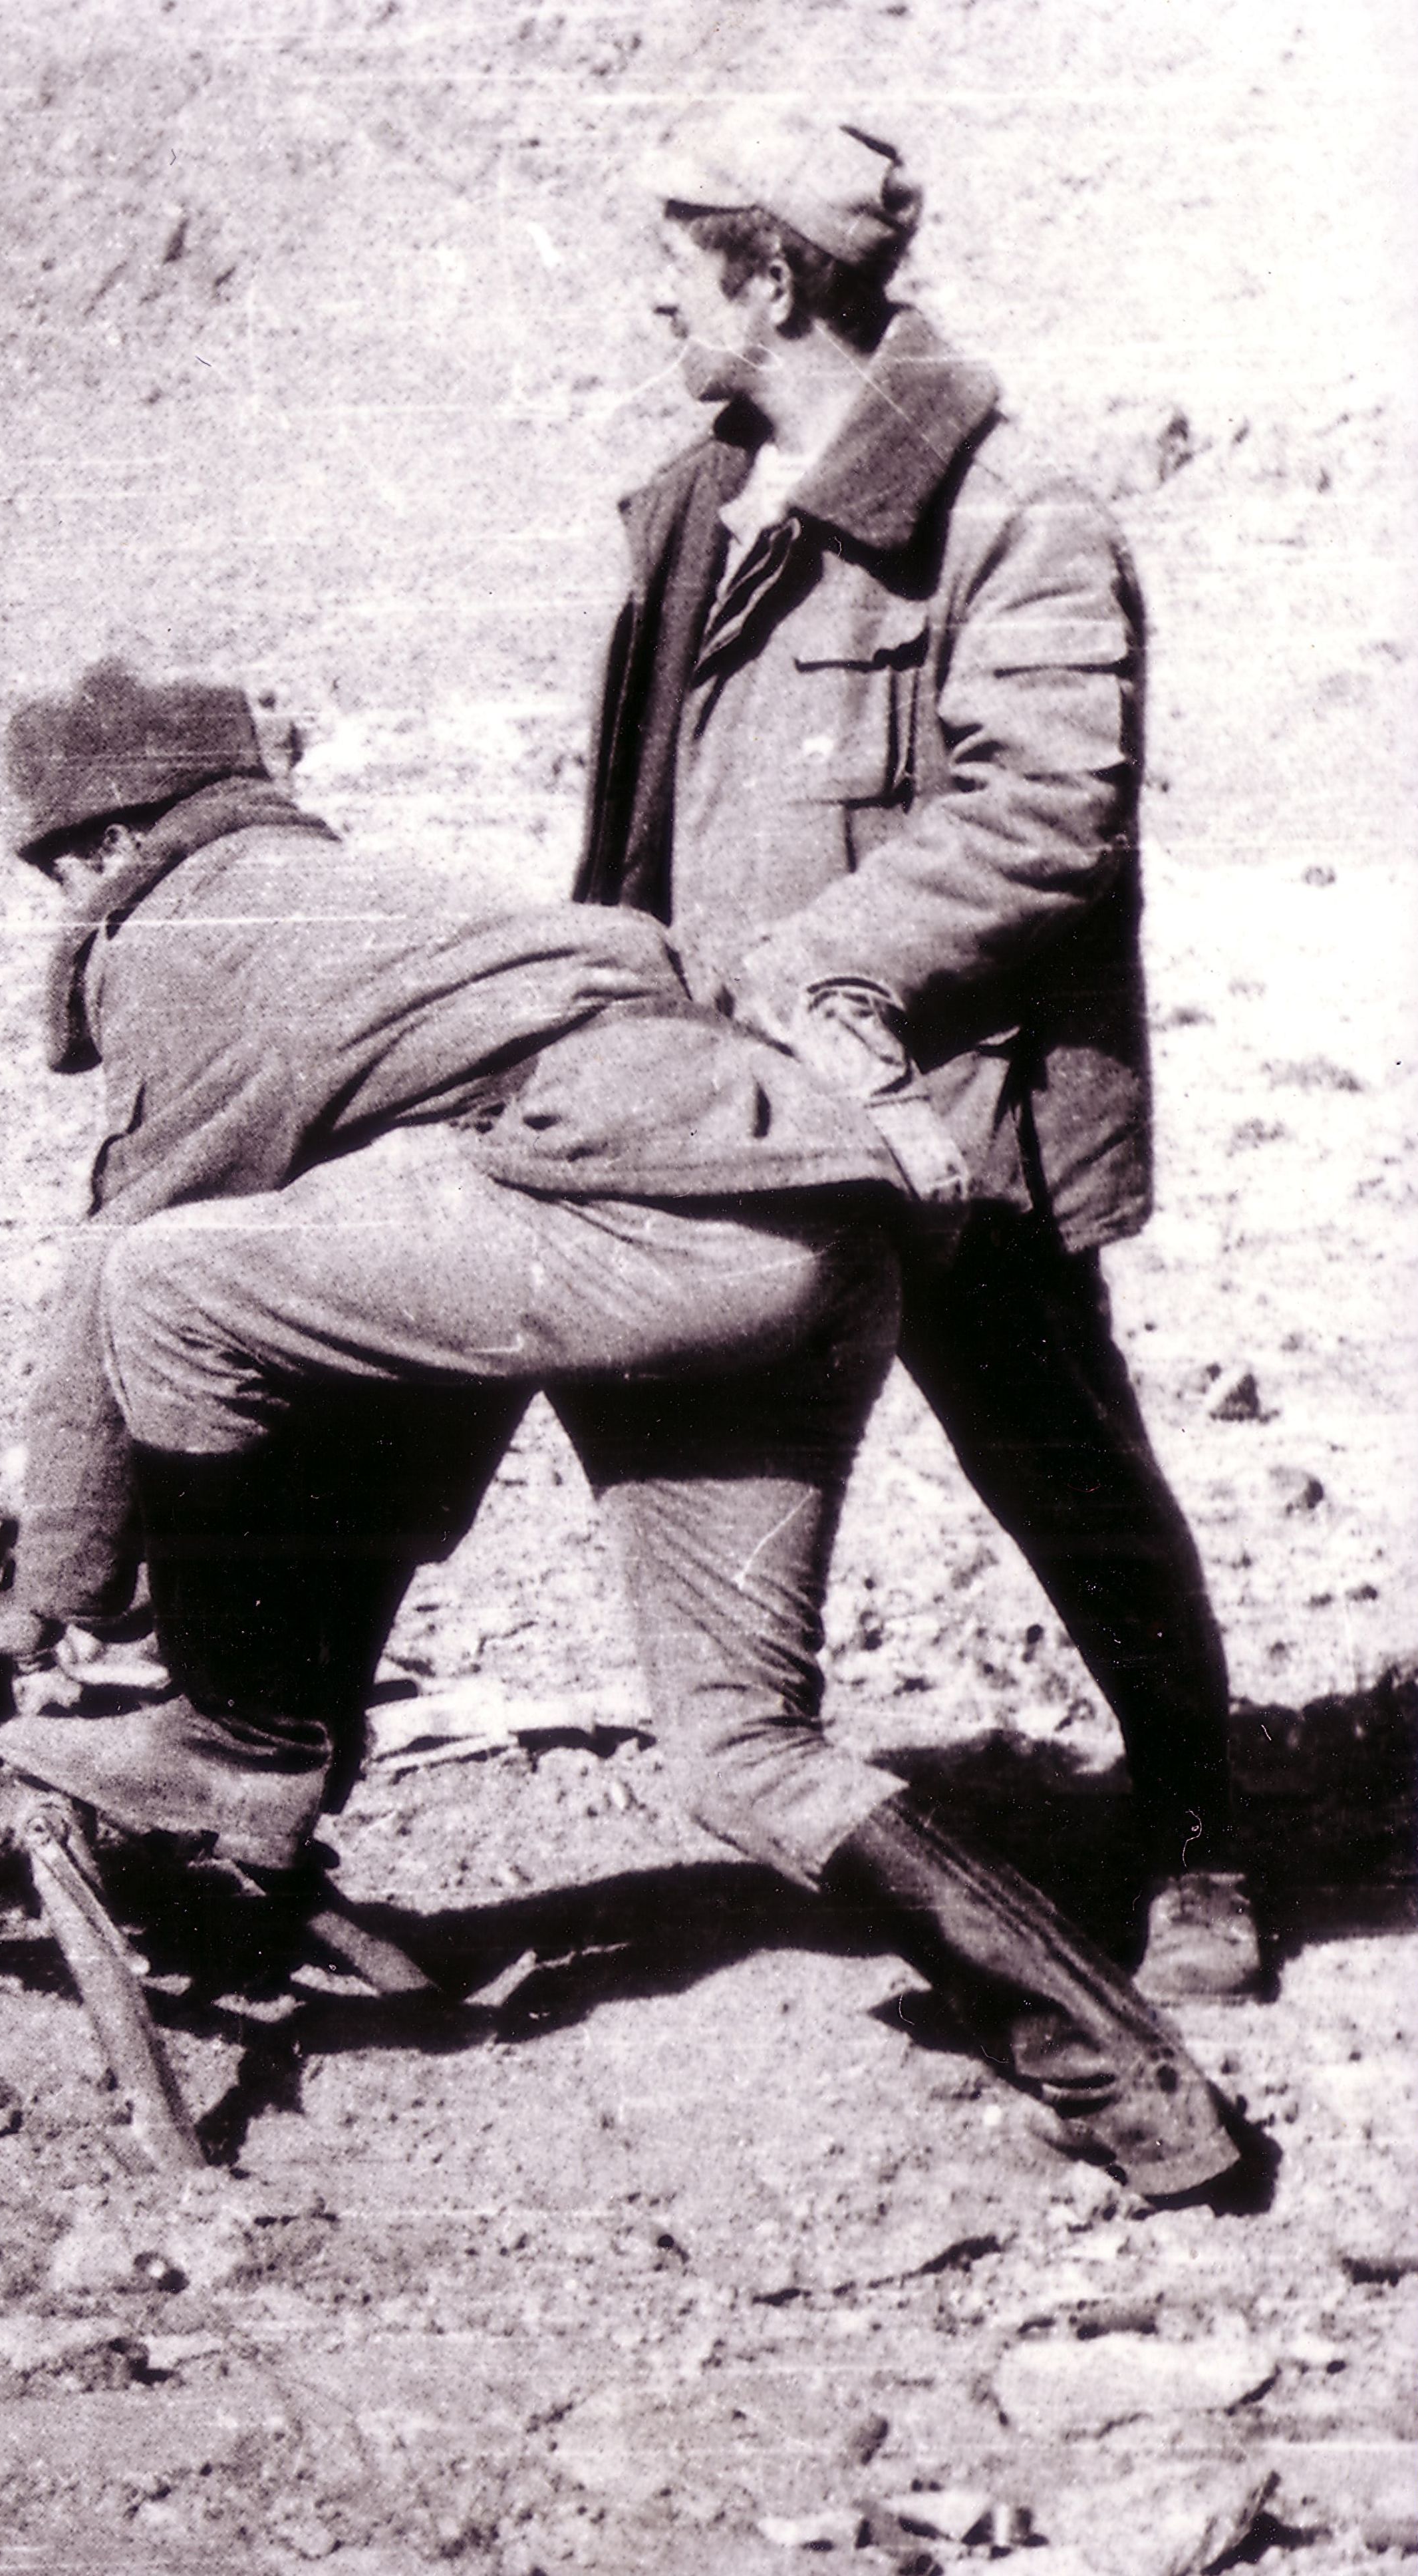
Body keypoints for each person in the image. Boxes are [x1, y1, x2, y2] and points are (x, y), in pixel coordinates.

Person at [0, 656, 1246, 2203]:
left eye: (60, 867)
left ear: (110, 843)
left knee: (166, 1282)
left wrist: (59, 1597)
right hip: (815, 1233)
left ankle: (237, 1740)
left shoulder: (179, 933)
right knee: (743, 1750)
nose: (65, 899)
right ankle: (1135, 2083)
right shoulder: (409, 901)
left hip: (642, 1230)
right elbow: (416, 1328)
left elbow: (120, 1258)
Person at [578, 105, 1252, 2002]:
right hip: (731, 1110)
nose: (650, 301)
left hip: (965, 1124)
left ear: (769, 277)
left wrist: (812, 970)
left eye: (678, 265)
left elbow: (1047, 815)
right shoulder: (695, 506)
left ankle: (1198, 1825)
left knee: (1063, 1468)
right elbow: (644, 820)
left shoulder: (1018, 516)